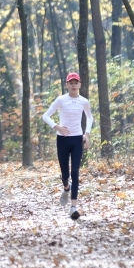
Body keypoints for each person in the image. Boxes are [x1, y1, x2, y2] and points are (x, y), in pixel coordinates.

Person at [42, 72, 92, 220]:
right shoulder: (61, 100)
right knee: (65, 174)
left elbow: (89, 117)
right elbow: (45, 116)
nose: (74, 85)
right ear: (67, 85)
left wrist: (86, 134)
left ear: (80, 85)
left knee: (75, 172)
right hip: (62, 140)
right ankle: (66, 188)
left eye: (76, 82)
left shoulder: (84, 101)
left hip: (77, 139)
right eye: (71, 82)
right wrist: (56, 127)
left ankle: (73, 207)